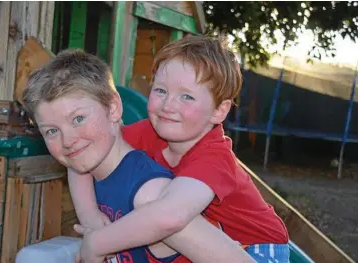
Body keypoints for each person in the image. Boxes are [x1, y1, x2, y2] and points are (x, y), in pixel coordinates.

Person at [70, 36, 290, 263]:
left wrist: (97, 243)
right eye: (161, 91)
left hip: (257, 247)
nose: (168, 105)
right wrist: (90, 217)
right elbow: (89, 151)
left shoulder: (214, 157)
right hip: (210, 243)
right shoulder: (150, 131)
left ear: (219, 111)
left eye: (186, 96)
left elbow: (170, 217)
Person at [22, 49, 254, 263]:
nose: (68, 140)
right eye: (52, 131)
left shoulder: (149, 193)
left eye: (78, 119)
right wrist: (89, 215)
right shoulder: (100, 160)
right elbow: (76, 166)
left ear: (113, 109)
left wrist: (96, 243)